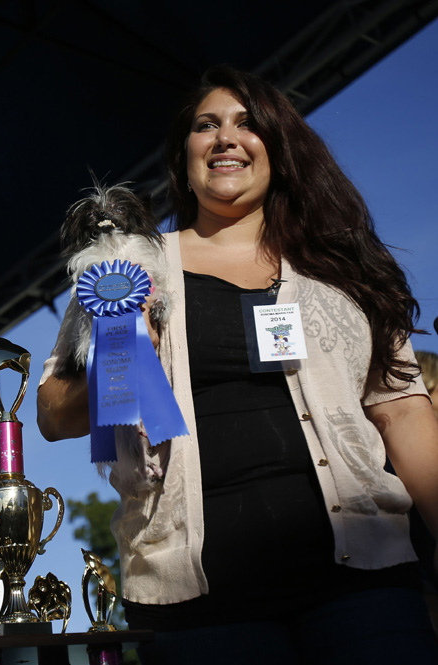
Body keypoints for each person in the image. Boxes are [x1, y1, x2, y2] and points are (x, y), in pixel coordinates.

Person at [37, 66, 438, 664]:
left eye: (247, 123)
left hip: (366, 586)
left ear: (278, 149)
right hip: (200, 605)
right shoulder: (126, 269)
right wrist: (124, 352)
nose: (226, 137)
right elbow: (53, 412)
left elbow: (404, 416)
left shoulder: (347, 268)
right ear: (185, 156)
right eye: (207, 125)